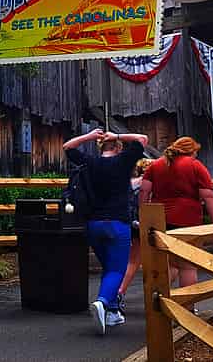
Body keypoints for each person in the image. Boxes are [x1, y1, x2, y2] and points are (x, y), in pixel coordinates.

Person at [63, 128, 148, 335]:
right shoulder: (124, 161)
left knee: (109, 267)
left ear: (100, 146)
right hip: (117, 223)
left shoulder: (89, 162)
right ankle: (102, 302)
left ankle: (112, 312)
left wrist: (90, 136)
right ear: (118, 147)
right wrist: (117, 135)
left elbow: (67, 147)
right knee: (117, 270)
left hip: (93, 224)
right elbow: (142, 138)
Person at [140, 137, 213, 294]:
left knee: (168, 264)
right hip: (187, 221)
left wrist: (143, 216)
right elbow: (208, 196)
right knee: (187, 266)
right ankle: (187, 304)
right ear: (191, 151)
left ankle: (159, 300)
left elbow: (144, 191)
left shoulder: (155, 165)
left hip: (160, 221)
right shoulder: (195, 165)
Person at [116, 158, 153, 313]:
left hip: (131, 223)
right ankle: (155, 295)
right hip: (148, 222)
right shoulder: (150, 183)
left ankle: (119, 291)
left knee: (132, 260)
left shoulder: (130, 183)